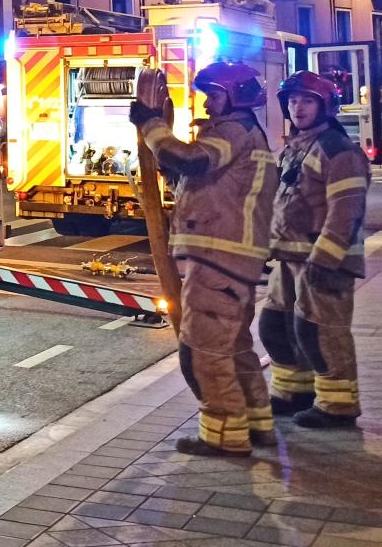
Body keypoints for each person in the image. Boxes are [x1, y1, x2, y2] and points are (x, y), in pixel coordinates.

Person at [130, 62, 278, 457]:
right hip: (232, 258)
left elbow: (195, 162)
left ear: (235, 97)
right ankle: (256, 420)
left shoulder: (233, 131)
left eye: (214, 95)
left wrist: (151, 126)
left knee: (205, 350)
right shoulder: (243, 133)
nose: (208, 103)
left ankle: (225, 433)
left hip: (219, 255)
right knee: (235, 346)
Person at [260, 71, 367, 429]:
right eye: (292, 101)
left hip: (322, 260)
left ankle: (338, 406)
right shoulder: (296, 145)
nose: (297, 107)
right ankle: (294, 393)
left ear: (325, 105)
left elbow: (346, 208)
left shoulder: (338, 149)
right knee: (276, 325)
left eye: (306, 100)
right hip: (290, 256)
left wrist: (327, 256)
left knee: (320, 331)